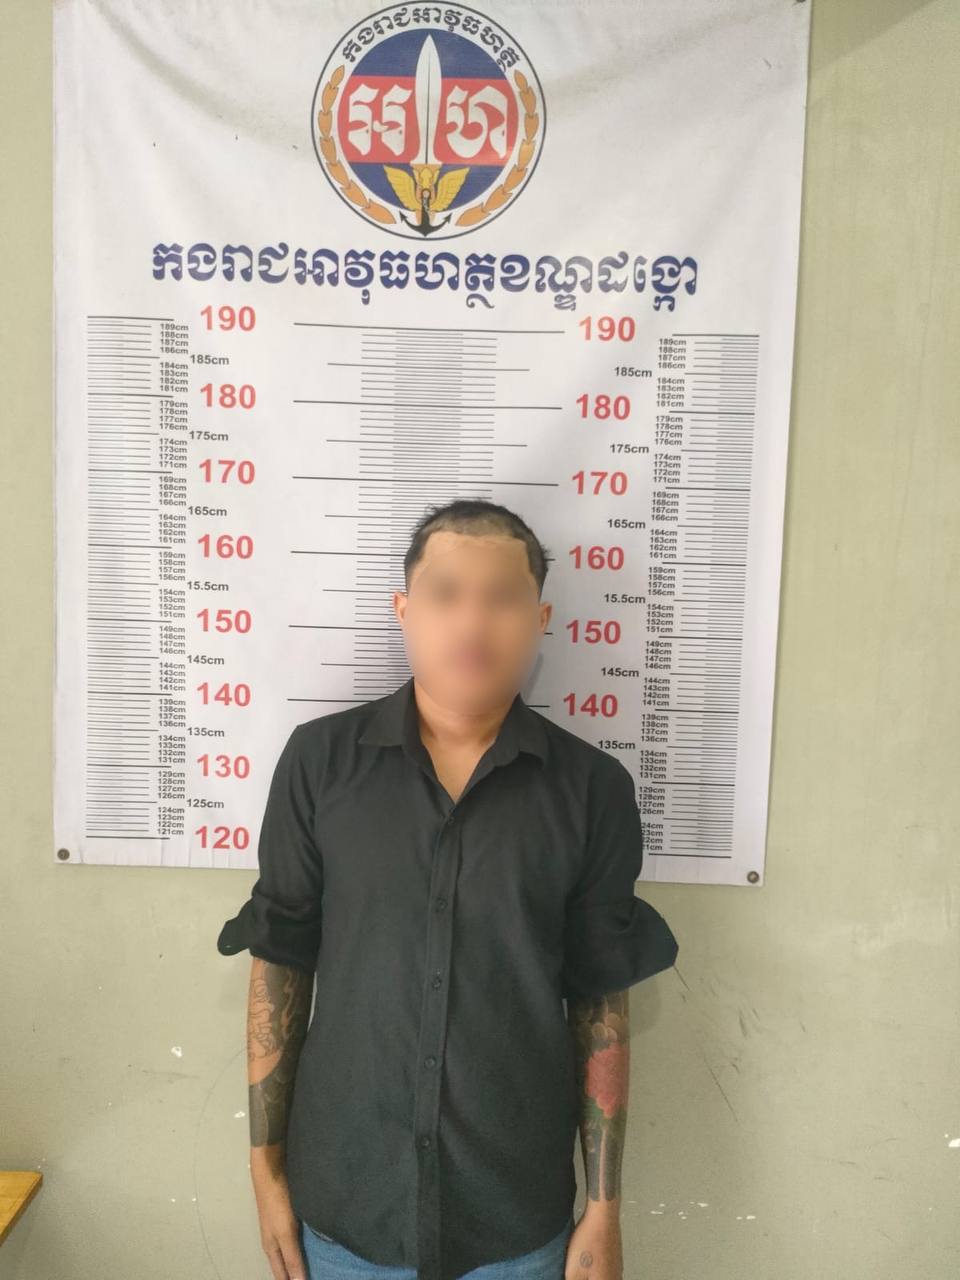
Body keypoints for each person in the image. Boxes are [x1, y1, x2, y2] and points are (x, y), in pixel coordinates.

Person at [217, 499, 678, 1280]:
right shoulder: (319, 764)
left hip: (516, 1221)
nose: (472, 622)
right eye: (445, 593)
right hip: (346, 1211)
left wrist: (604, 1209)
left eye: (502, 598)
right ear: (405, 610)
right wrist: (265, 1175)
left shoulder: (592, 789)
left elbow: (601, 1003)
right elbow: (280, 963)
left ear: (540, 619)